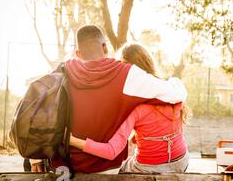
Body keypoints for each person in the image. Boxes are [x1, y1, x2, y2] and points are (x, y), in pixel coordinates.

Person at [30, 25, 187, 173]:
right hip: (106, 167)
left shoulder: (62, 71)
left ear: (78, 54)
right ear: (105, 47)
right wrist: (175, 81)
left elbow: (34, 109)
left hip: (64, 166)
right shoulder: (126, 74)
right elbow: (175, 94)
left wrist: (34, 158)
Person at [69, 43, 191, 173]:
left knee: (117, 170)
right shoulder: (172, 92)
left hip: (149, 168)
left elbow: (111, 151)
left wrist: (71, 140)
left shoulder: (135, 108)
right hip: (182, 161)